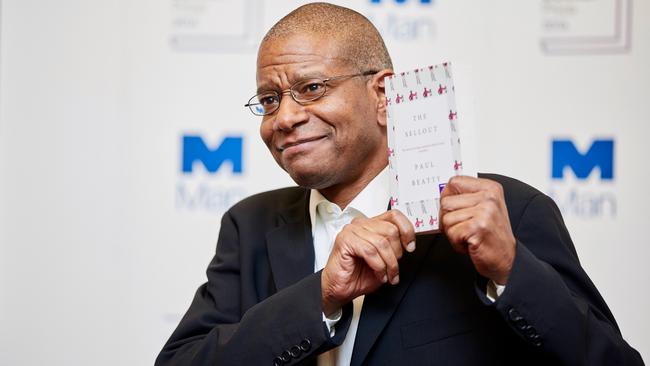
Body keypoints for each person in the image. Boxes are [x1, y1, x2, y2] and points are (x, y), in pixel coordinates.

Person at [156, 3, 644, 365]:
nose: (284, 118)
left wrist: (512, 272)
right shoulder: (249, 224)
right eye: (268, 99)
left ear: (384, 94)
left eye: (310, 89)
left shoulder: (510, 212)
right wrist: (321, 297)